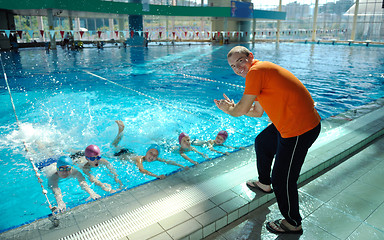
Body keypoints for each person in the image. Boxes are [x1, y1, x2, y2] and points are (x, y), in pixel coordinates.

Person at [214, 46, 321, 235]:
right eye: (232, 66)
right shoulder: (260, 74)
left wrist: (229, 109)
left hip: (299, 129)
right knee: (263, 141)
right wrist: (234, 107)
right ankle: (264, 183)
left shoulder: (256, 71)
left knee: (283, 179)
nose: (237, 68)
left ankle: (293, 223)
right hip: (287, 125)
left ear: (250, 57)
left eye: (240, 61)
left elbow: (239, 112)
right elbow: (256, 112)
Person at [113, 120, 188, 179]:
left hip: (129, 152)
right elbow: (141, 170)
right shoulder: (139, 159)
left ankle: (121, 131)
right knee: (113, 146)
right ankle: (120, 131)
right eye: (151, 153)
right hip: (119, 155)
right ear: (146, 152)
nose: (152, 156)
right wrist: (156, 176)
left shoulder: (154, 158)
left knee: (116, 145)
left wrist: (182, 166)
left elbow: (168, 161)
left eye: (155, 155)